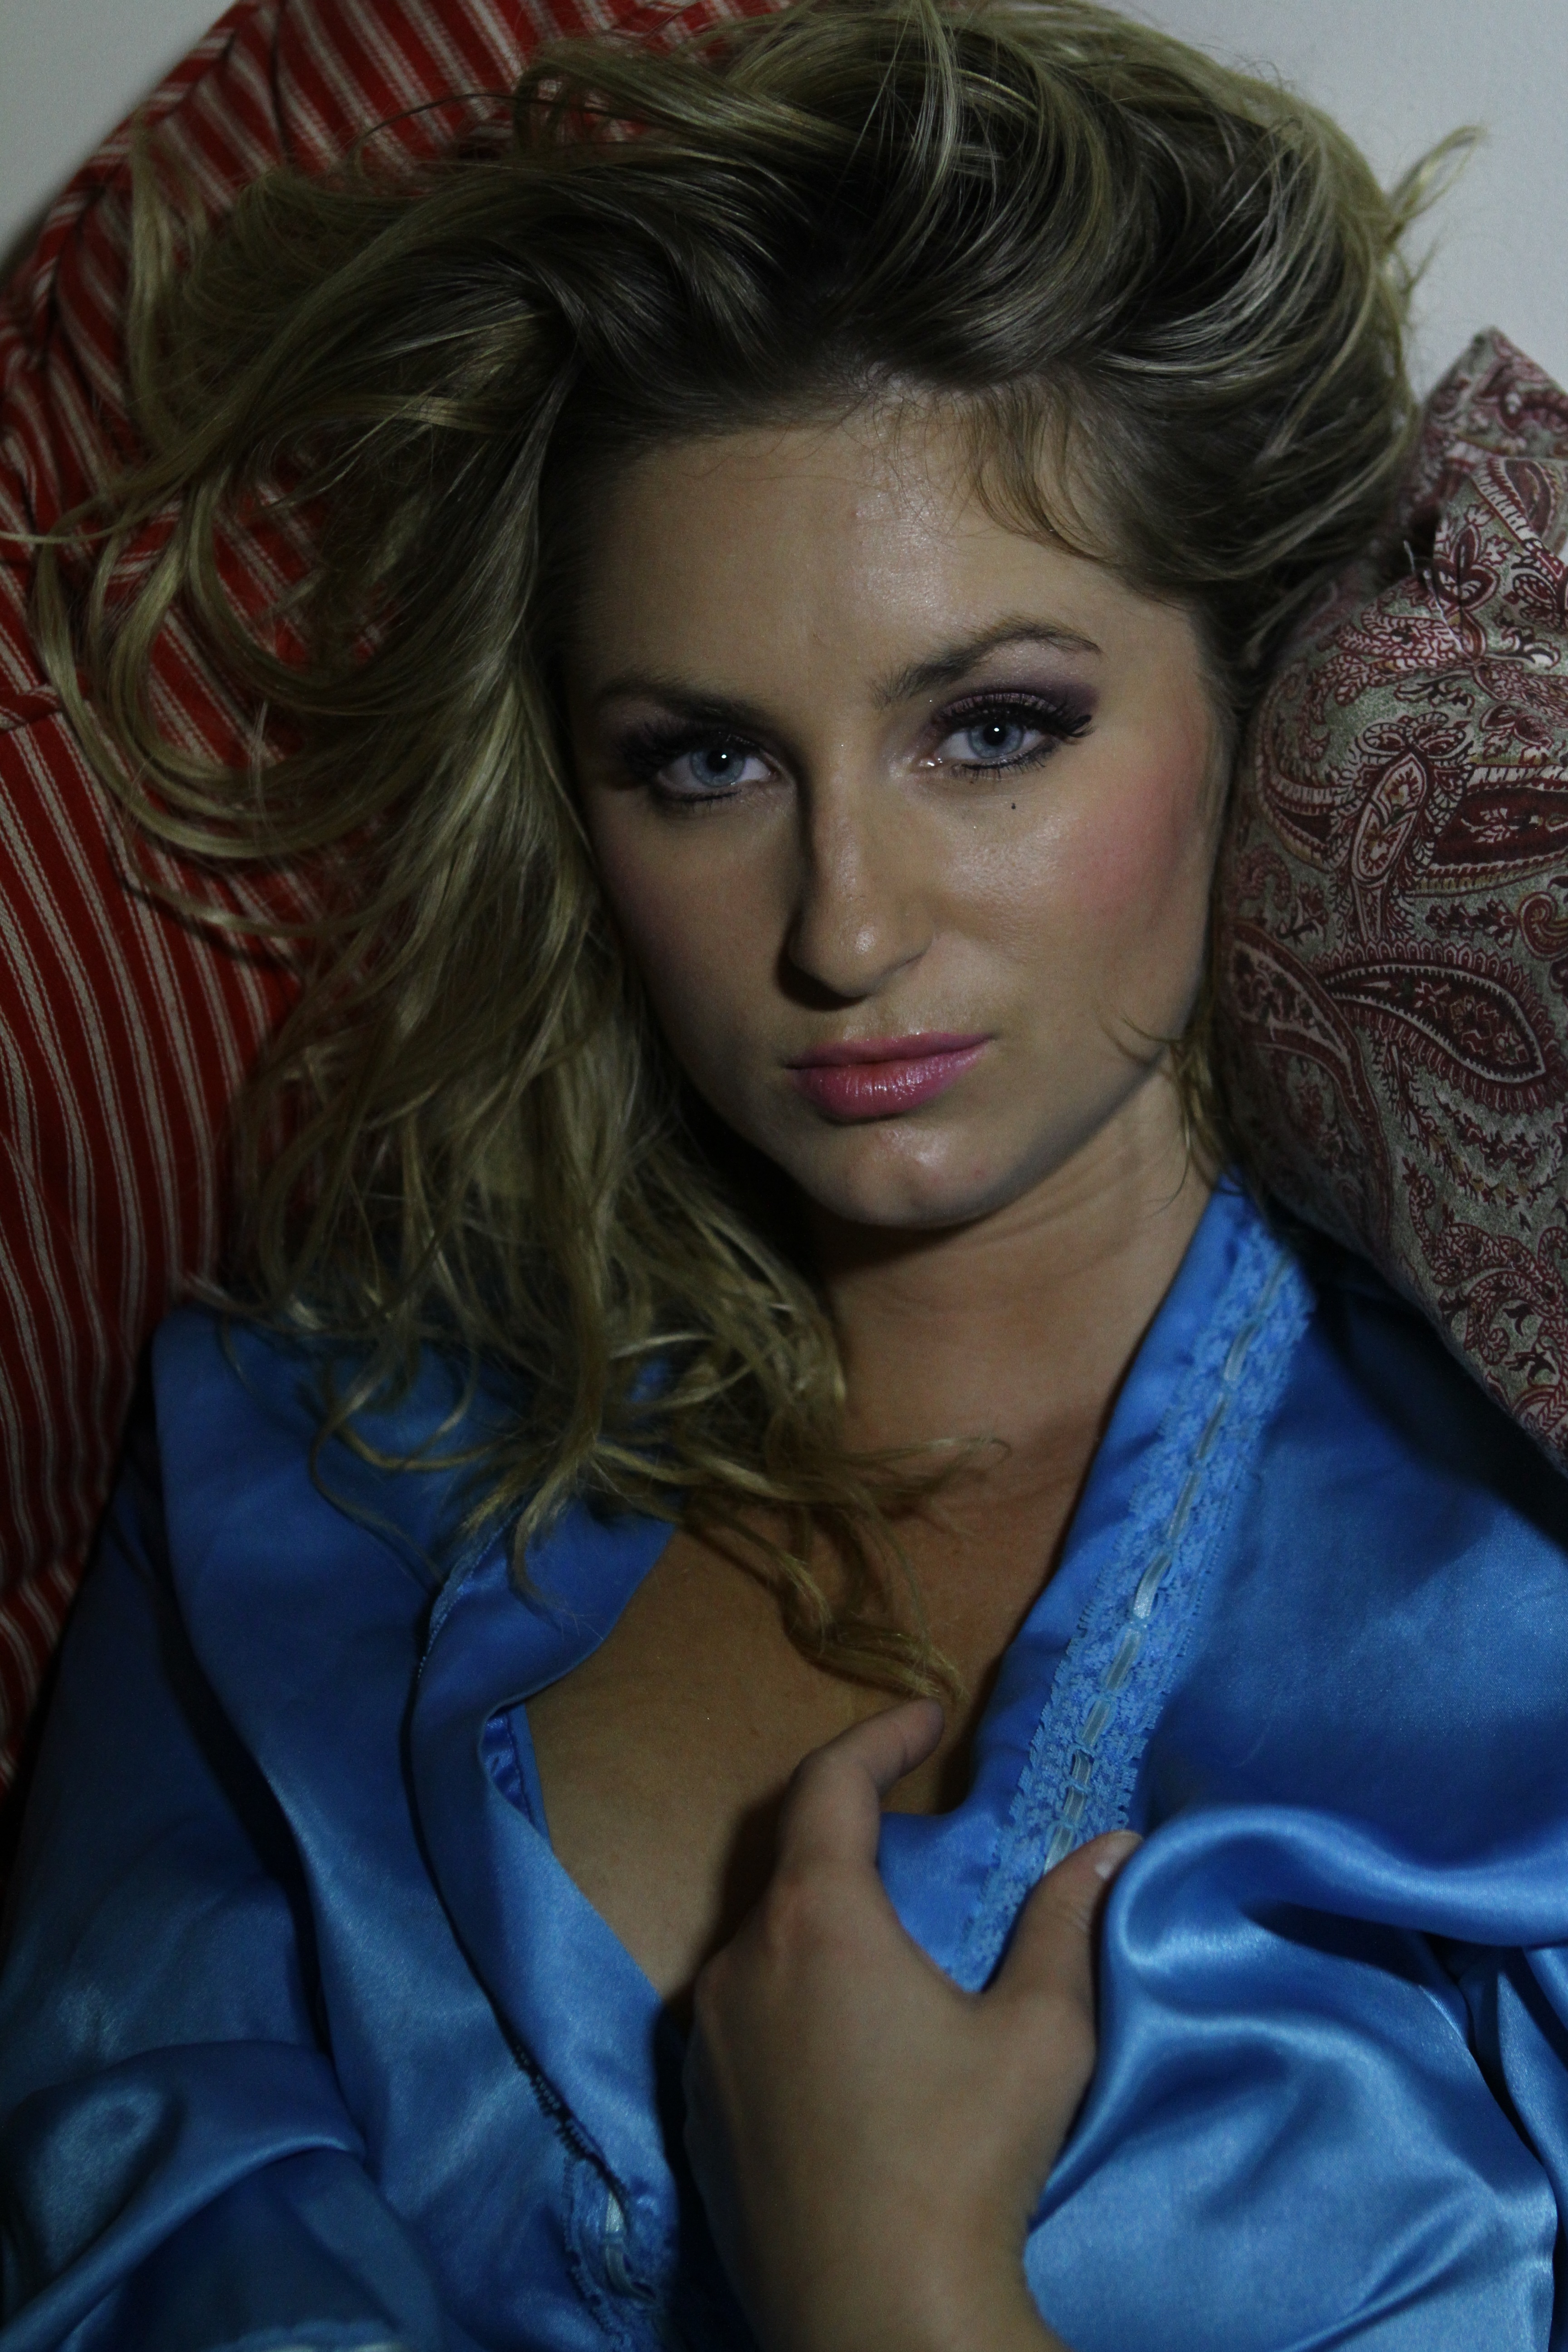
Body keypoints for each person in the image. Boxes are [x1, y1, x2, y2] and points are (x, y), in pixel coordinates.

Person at [4, 1, 1568, 2347]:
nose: (843, 927)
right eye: (705, 763)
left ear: (1259, 690)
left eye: (994, 729)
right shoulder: (291, 1492)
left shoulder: (1526, 1589)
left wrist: (897, 2284)